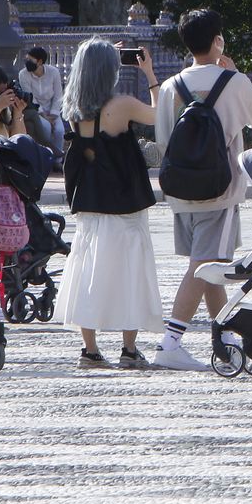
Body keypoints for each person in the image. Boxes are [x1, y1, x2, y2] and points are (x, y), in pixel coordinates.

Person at [150, 8, 252, 370]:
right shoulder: (231, 81)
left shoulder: (172, 85)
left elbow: (161, 139)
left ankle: (226, 337)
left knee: (210, 266)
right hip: (220, 189)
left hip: (180, 190)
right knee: (205, 265)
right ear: (217, 40)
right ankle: (170, 341)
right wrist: (233, 74)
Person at [54, 39, 162, 370]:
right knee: (130, 271)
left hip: (90, 201)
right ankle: (129, 349)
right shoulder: (123, 104)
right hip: (124, 202)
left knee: (89, 271)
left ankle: (90, 349)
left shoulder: (72, 110)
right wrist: (150, 75)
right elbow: (161, 116)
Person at [17, 45, 64, 155]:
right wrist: (44, 115)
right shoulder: (23, 74)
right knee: (46, 128)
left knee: (59, 131)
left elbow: (58, 95)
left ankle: (58, 159)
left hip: (53, 109)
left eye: (30, 60)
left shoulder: (54, 72)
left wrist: (53, 113)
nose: (27, 62)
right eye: (27, 59)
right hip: (36, 110)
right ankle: (47, 156)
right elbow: (31, 97)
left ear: (40, 62)